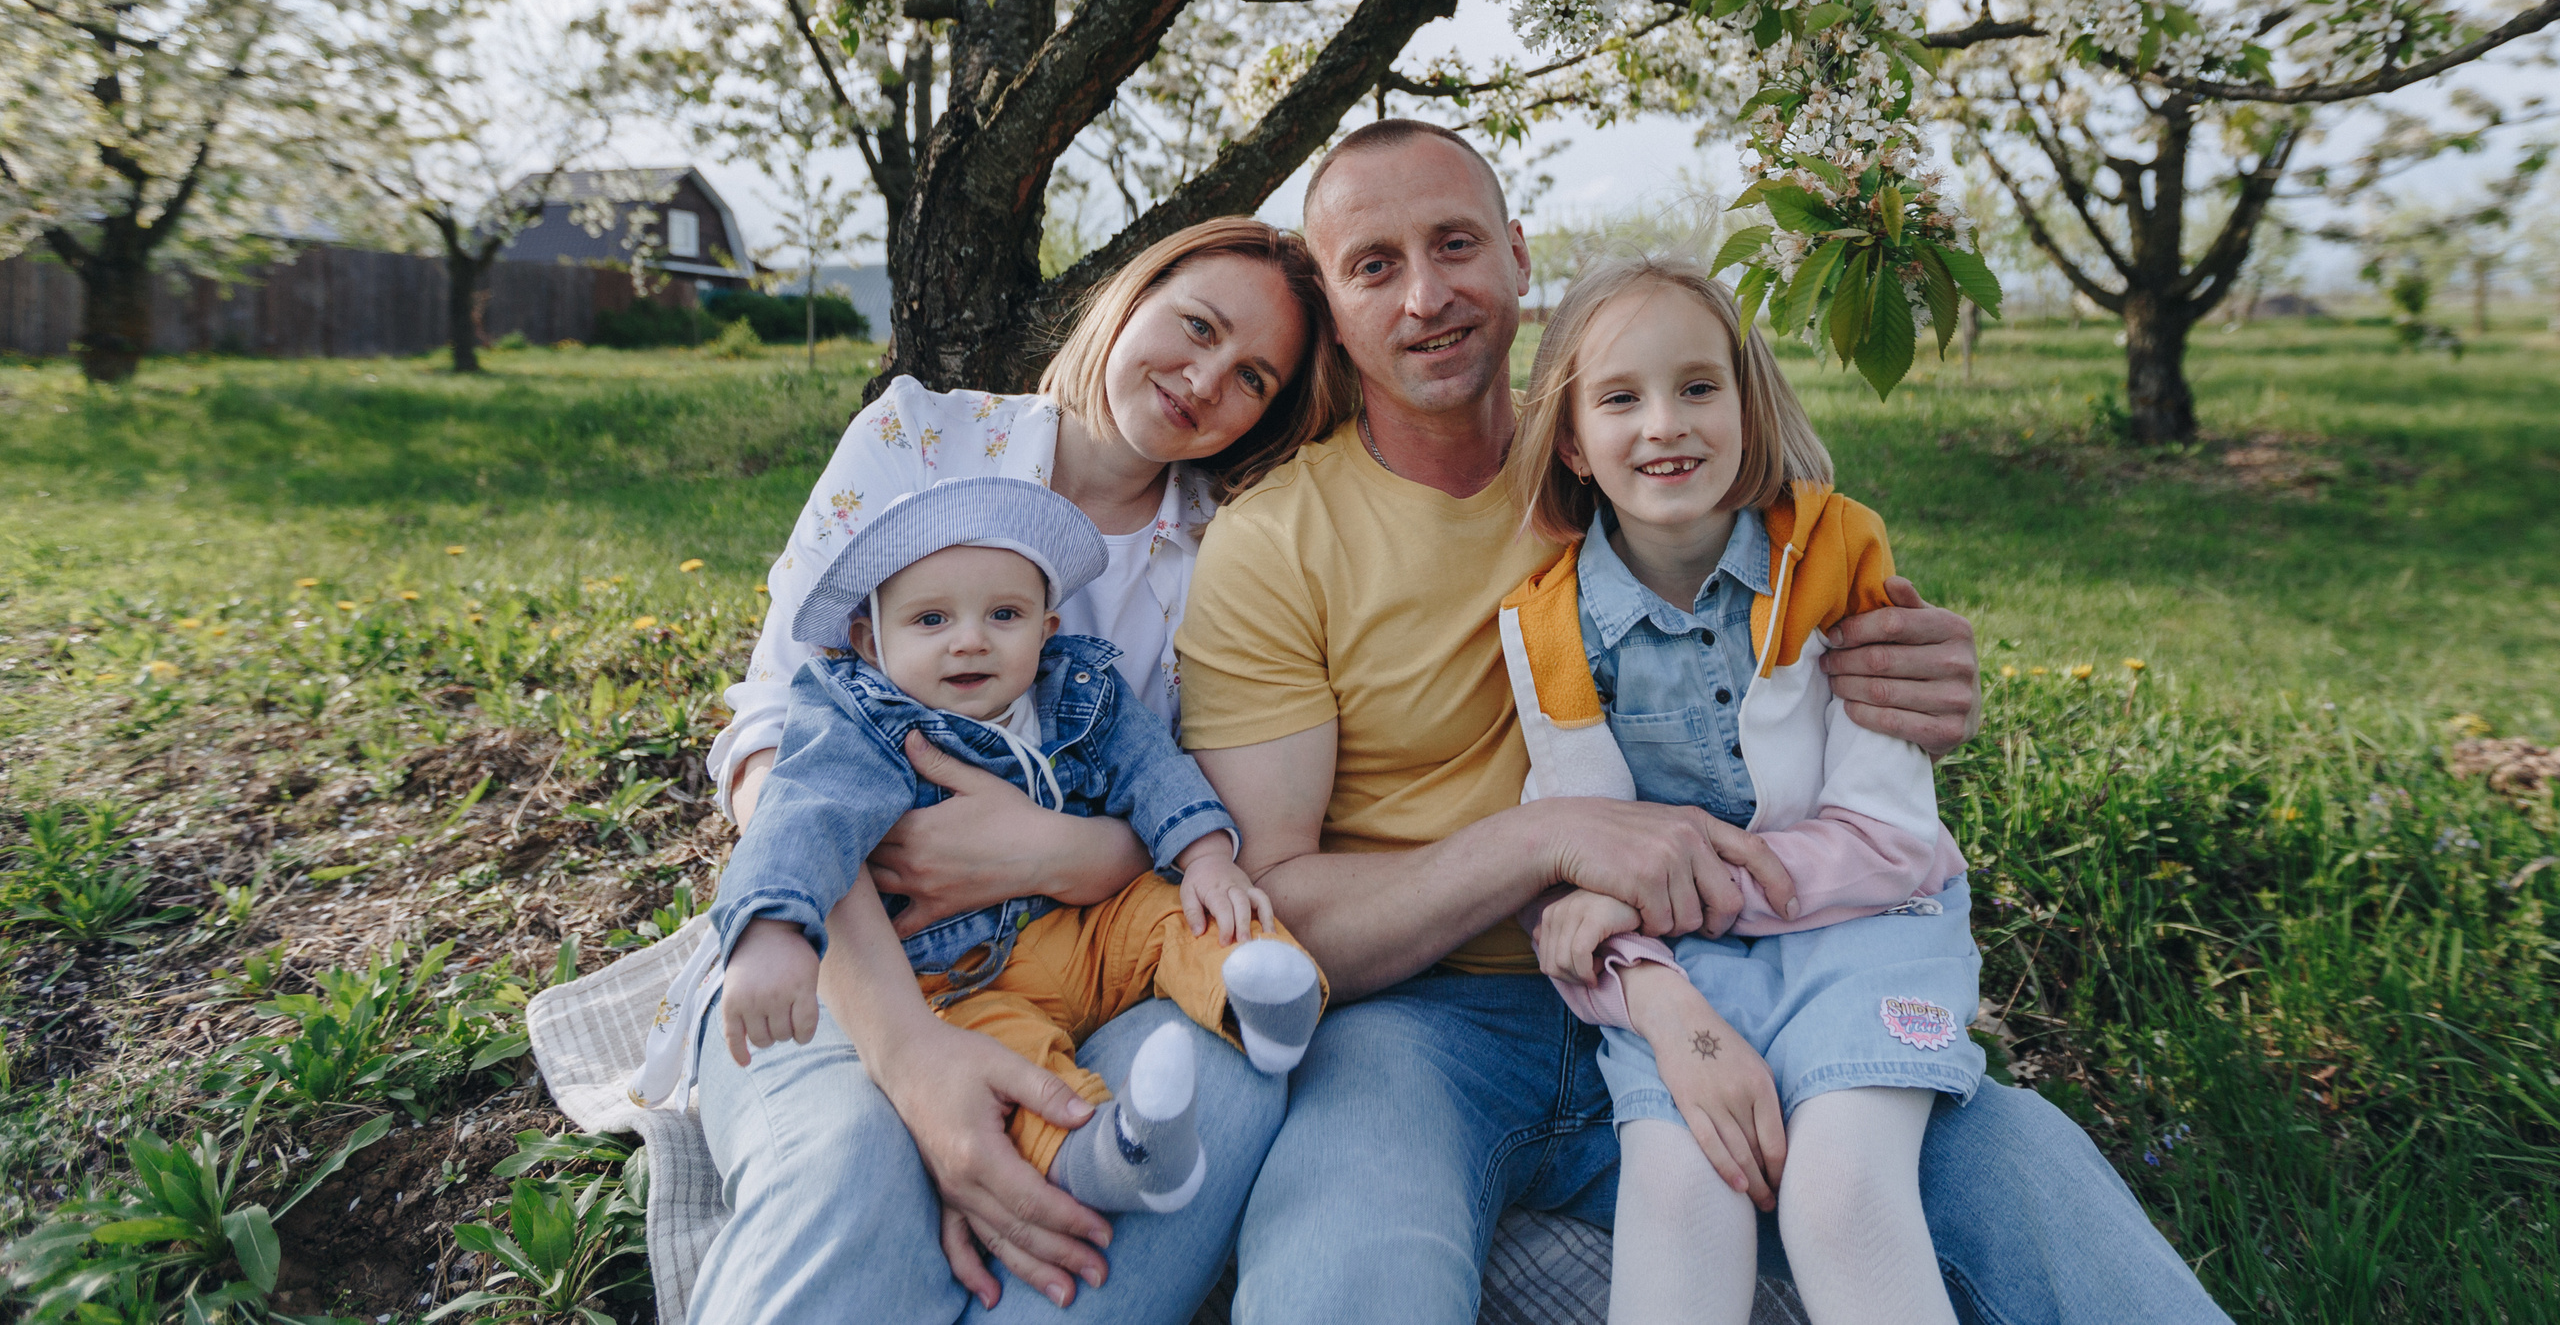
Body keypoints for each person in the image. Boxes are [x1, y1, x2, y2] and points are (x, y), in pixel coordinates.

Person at [1177, 119, 2232, 1323]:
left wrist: (1918, 678)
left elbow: (1820, 643)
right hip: (1432, 1023)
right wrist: (1547, 842)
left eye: (1454, 243)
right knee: (1344, 1260)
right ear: (1330, 300)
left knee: (2021, 1180)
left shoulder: (1642, 438)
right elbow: (1279, 910)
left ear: (1517, 254)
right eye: (1374, 265)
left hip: (1753, 967)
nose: (1425, 295)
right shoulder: (1278, 541)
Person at [686, 216, 1352, 1322]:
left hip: (1080, 952)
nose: (1203, 380)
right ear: (1129, 296)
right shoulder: (919, 441)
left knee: (1228, 1088)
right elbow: (778, 750)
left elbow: (1191, 798)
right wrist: (913, 1061)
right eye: (1196, 327)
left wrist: (1061, 852)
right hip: (852, 952)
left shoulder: (1230, 547)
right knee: (853, 1170)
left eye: (1252, 377)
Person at [1496, 254, 1983, 1325]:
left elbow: (1893, 841)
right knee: (1679, 1196)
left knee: (1841, 1194)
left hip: (1867, 937)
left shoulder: (1836, 554)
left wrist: (1659, 888)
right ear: (1571, 442)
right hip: (1688, 970)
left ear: (1748, 407)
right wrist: (1627, 938)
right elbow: (1577, 887)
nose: (1665, 423)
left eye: (1697, 386)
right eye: (1620, 398)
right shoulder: (1548, 627)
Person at [706, 476, 1325, 1221]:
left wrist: (1207, 854)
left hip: (1087, 929)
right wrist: (770, 928)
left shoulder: (1080, 689)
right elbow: (804, 814)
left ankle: (1260, 999)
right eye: (931, 619)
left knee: (1180, 913)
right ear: (871, 641)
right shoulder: (863, 721)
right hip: (965, 978)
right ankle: (1108, 1152)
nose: (971, 639)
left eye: (1004, 614)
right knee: (1003, 1056)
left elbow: (1152, 768)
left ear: (1046, 628)